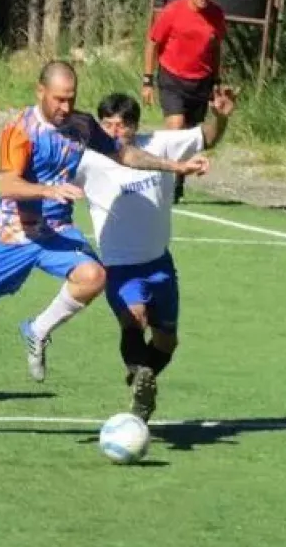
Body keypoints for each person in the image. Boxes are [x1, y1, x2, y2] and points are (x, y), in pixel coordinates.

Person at [0, 60, 209, 423]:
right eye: (59, 99)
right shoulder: (20, 130)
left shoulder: (82, 125)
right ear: (40, 91)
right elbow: (7, 185)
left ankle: (37, 330)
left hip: (55, 229)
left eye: (71, 98)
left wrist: (176, 167)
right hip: (12, 231)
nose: (66, 107)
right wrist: (48, 190)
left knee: (94, 276)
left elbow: (125, 153)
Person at [79, 87, 235, 421]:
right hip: (120, 266)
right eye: (107, 125)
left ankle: (141, 380)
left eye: (122, 125)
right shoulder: (88, 159)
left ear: (135, 126)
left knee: (167, 341)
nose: (114, 132)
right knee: (134, 319)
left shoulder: (159, 144)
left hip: (160, 263)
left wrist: (220, 118)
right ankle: (140, 375)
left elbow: (207, 136)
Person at [142, 0, 227, 203]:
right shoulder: (173, 11)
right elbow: (152, 43)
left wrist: (216, 80)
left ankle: (178, 181)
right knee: (176, 126)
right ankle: (166, 180)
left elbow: (216, 48)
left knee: (189, 135)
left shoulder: (216, 15)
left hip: (201, 80)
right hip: (172, 76)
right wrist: (147, 80)